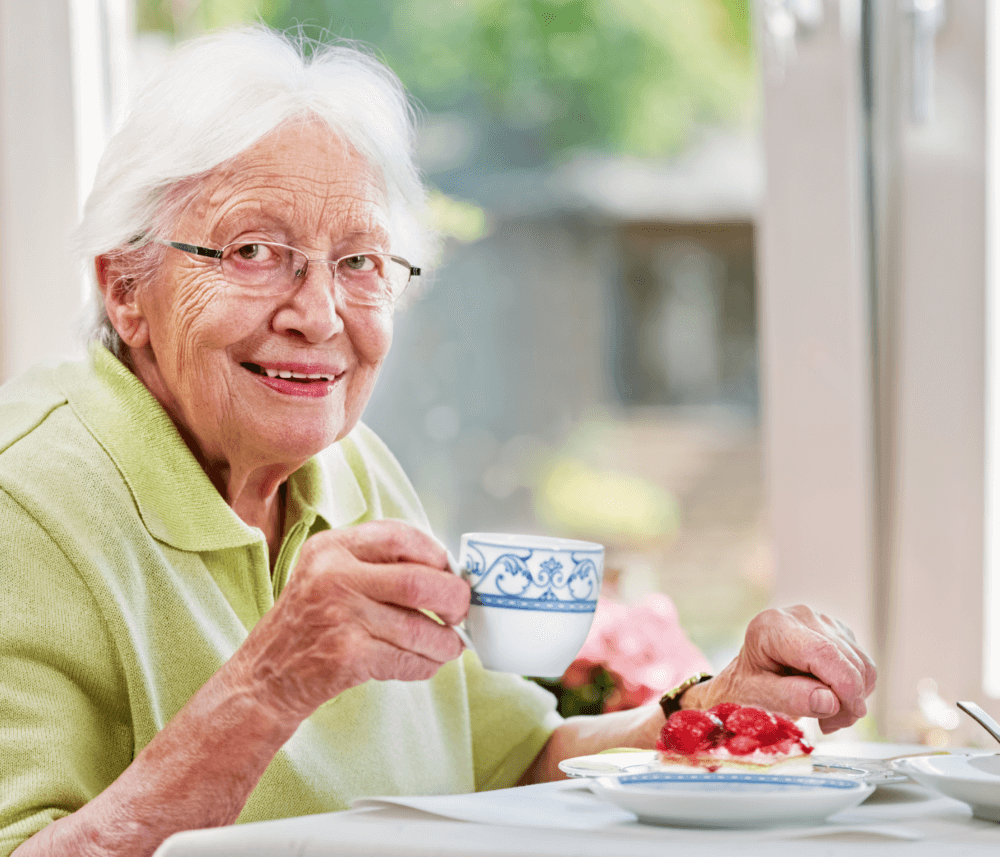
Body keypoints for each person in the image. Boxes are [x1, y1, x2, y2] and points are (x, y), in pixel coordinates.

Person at [0, 26, 876, 857]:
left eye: (359, 263)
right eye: (255, 250)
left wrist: (717, 705)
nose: (317, 316)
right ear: (124, 288)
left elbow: (514, 762)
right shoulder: (28, 501)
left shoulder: (349, 466)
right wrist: (270, 687)